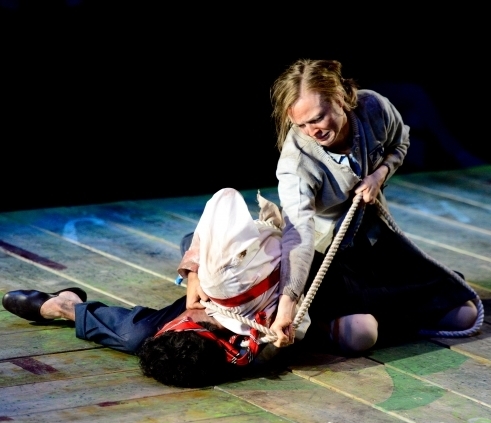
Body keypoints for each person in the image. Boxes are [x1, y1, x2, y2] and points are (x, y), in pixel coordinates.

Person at [267, 58, 481, 352]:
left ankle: (387, 316)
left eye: (317, 118)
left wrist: (379, 175)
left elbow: (400, 142)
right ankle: (329, 324)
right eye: (301, 124)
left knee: (463, 315)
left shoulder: (373, 108)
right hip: (328, 257)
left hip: (376, 241)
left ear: (339, 98)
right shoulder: (296, 161)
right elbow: (298, 233)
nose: (311, 131)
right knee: (360, 335)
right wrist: (287, 307)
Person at [2, 188, 308, 387]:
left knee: (134, 335)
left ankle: (66, 306)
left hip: (252, 278)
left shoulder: (221, 299)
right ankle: (193, 250)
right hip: (246, 287)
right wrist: (195, 275)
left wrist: (195, 272)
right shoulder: (243, 349)